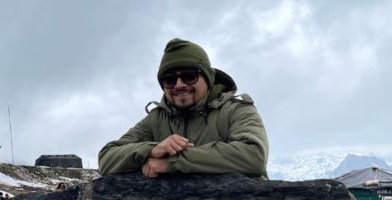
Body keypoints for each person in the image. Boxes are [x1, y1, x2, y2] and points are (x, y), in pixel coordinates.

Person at [98, 38, 269, 178]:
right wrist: (151, 150)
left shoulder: (236, 110)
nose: (179, 85)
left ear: (208, 78)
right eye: (169, 80)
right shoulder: (157, 119)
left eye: (189, 76)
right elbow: (107, 158)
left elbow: (254, 155)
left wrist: (172, 163)